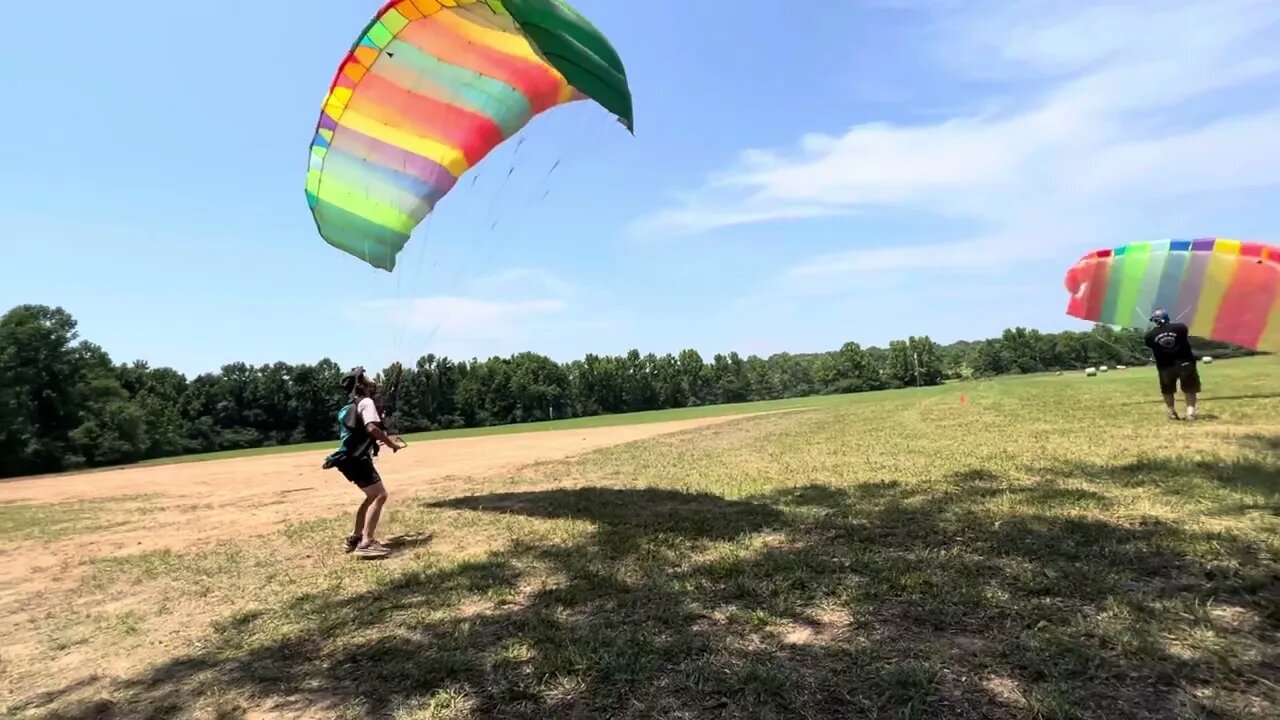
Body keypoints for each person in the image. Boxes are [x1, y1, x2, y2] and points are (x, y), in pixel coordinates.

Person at [323, 366, 406, 557]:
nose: (371, 381)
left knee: (371, 496)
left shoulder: (348, 407)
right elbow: (371, 428)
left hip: (347, 458)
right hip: (358, 458)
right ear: (360, 384)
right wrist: (389, 443)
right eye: (366, 378)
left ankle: (356, 536)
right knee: (380, 495)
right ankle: (366, 543)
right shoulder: (366, 402)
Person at [1143, 309, 1201, 420]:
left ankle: (1171, 412)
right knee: (1190, 388)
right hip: (1185, 363)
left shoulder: (1149, 336)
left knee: (1167, 390)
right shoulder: (1180, 328)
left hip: (1165, 367)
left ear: (1155, 321)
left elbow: (1149, 344)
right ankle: (1190, 412)